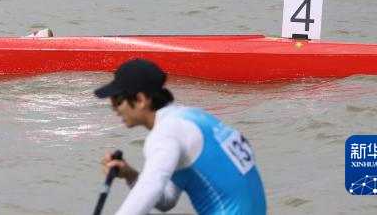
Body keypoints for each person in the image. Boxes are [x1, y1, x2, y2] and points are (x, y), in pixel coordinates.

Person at [95, 59, 266, 215]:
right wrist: (131, 175)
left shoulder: (166, 132)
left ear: (141, 99)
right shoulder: (194, 117)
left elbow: (150, 187)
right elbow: (167, 201)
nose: (114, 109)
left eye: (116, 100)